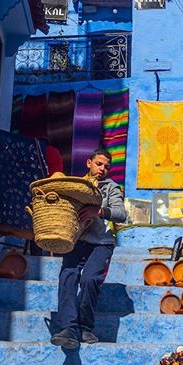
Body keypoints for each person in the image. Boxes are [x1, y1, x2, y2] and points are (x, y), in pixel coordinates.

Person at [50, 148, 127, 349]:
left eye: (107, 166)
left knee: (90, 279)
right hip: (76, 241)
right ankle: (68, 328)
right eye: (99, 164)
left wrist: (99, 211)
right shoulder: (76, 185)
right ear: (88, 163)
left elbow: (121, 214)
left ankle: (85, 326)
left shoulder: (111, 188)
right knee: (68, 275)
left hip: (102, 243)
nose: (102, 169)